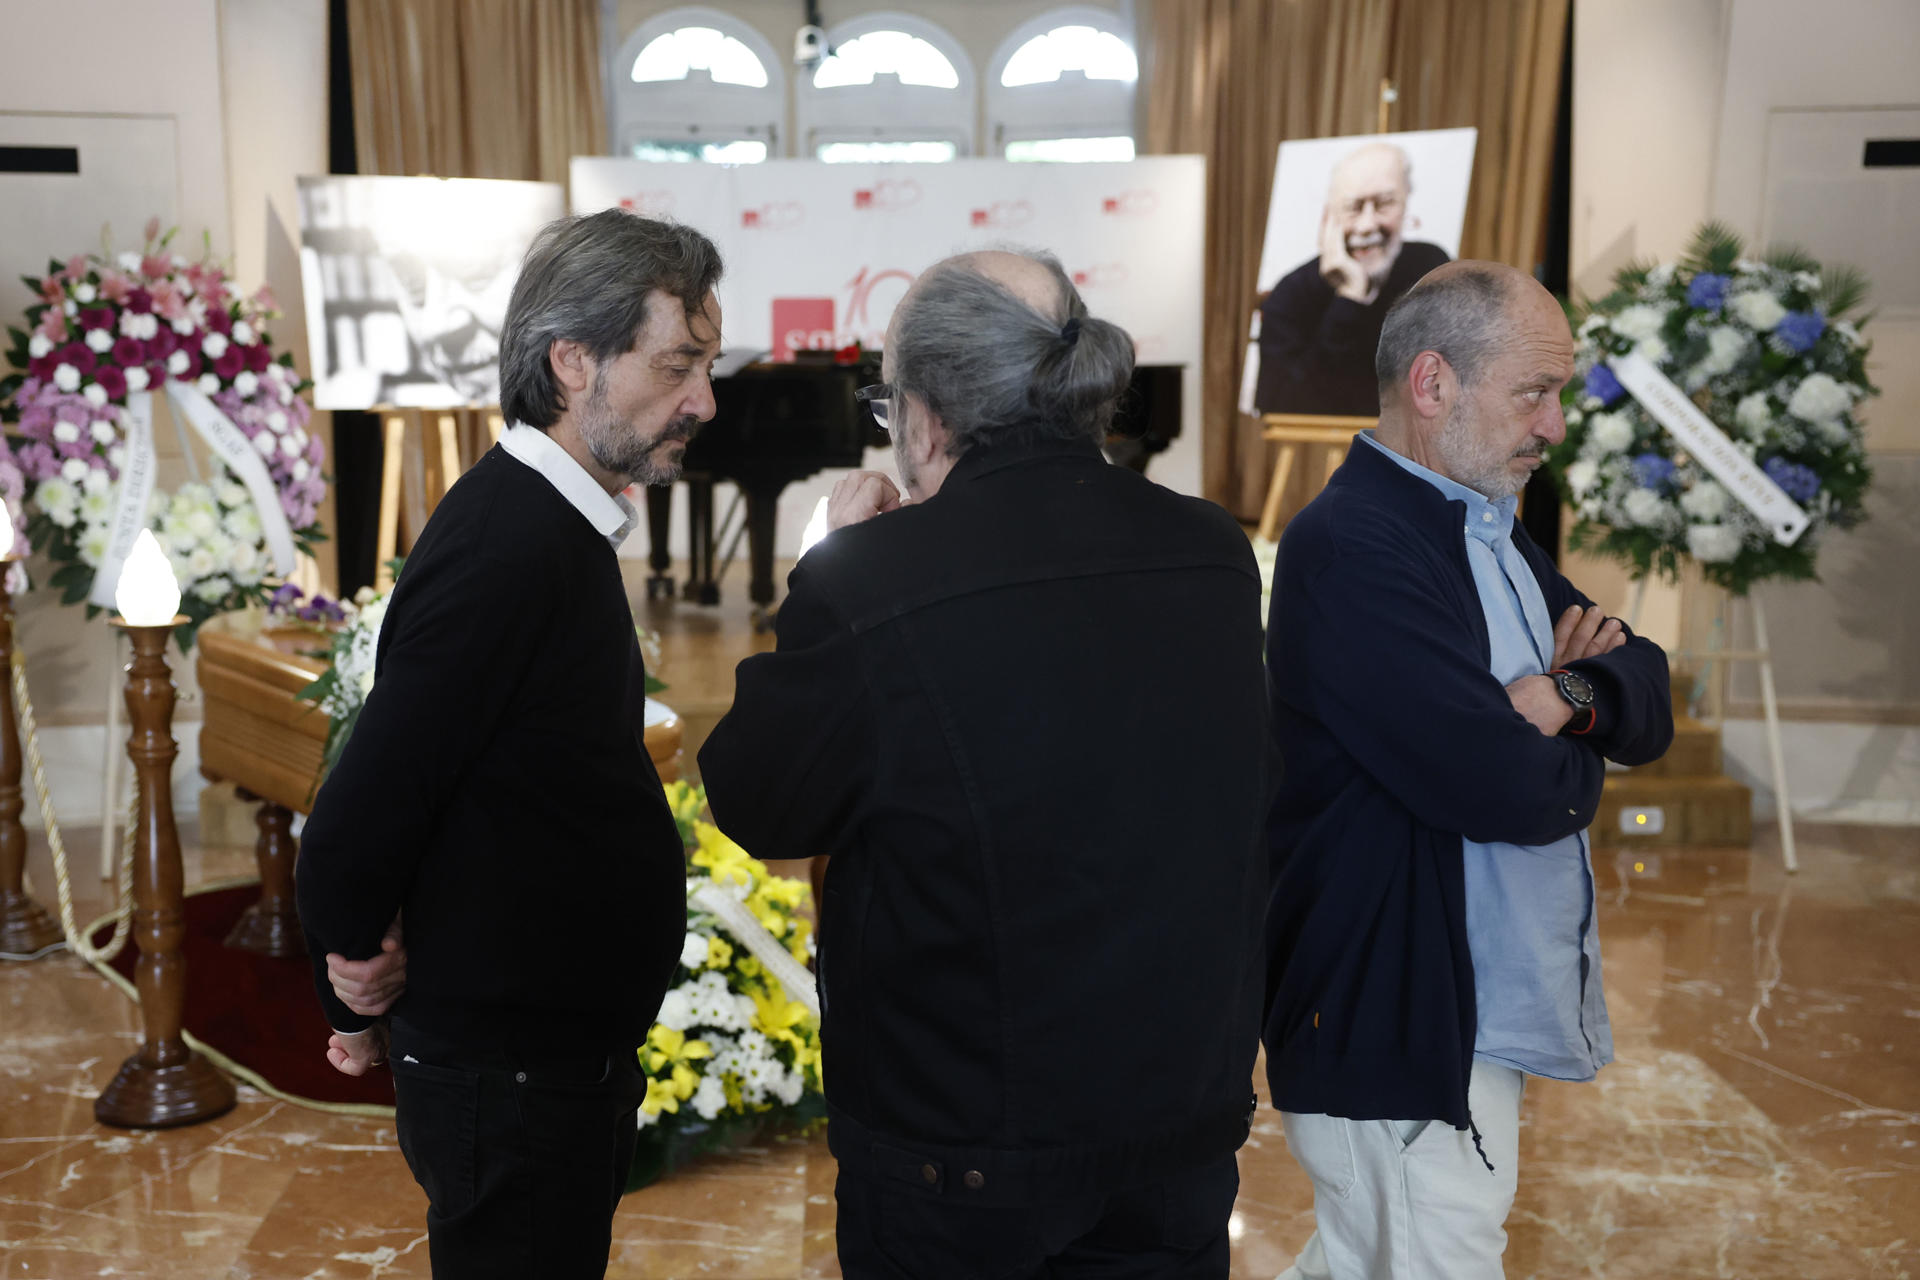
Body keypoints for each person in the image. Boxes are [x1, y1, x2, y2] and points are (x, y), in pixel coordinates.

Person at [698, 249, 1271, 1279]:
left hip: (960, 1152)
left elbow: (756, 796)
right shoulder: (1211, 549)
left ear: (923, 416)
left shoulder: (869, 580)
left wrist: (830, 562)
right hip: (1176, 1123)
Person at [293, 209, 724, 1279]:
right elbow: (360, 812)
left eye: (706, 366)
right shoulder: (510, 542)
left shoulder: (549, 523)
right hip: (511, 1073)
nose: (704, 401)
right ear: (572, 361)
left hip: (541, 1055)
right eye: (677, 365)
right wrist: (349, 974)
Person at [1262, 261, 1674, 1279]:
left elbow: (1650, 689)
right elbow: (1506, 788)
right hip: (1400, 1018)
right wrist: (1573, 744)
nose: (1557, 424)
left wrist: (1567, 697)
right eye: (1536, 390)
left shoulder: (1483, 525)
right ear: (1433, 383)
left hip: (1462, 1007)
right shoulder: (1357, 545)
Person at [1254, 142, 1451, 416]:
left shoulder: (1430, 267)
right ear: (1329, 217)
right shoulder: (1291, 293)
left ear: (1406, 206)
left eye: (1384, 204)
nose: (1367, 225)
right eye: (1353, 208)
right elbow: (1283, 404)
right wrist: (1350, 298)